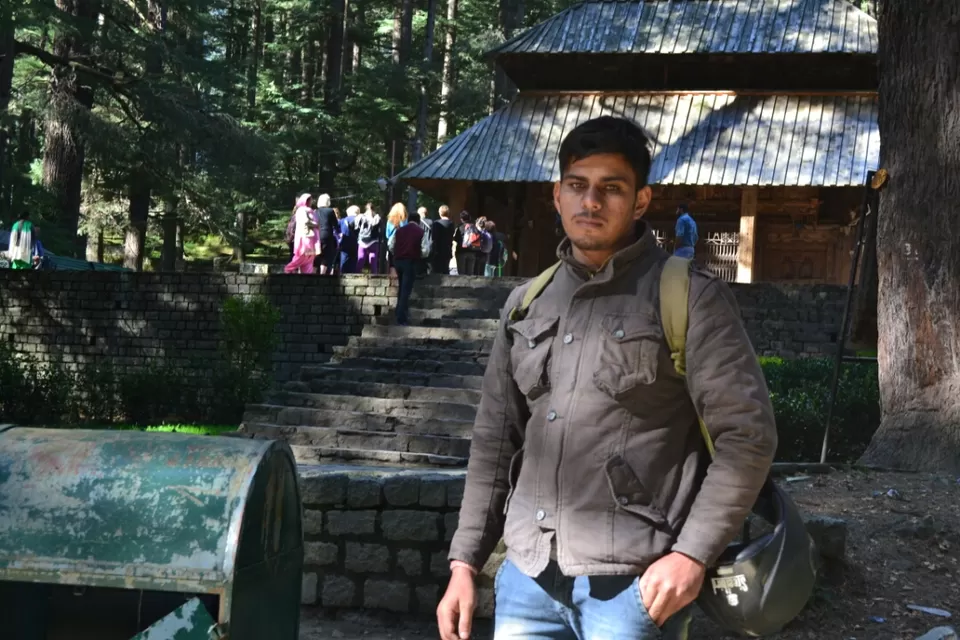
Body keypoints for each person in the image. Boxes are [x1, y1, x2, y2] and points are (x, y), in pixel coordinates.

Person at [436, 116, 777, 640]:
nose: (590, 202)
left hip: (635, 585)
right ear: (557, 195)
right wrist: (464, 562)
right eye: (577, 185)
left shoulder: (689, 298)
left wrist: (692, 555)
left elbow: (747, 436)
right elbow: (494, 442)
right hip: (527, 578)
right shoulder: (526, 304)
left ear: (640, 201)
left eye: (611, 188)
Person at [387, 207, 424, 326]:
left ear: (408, 220)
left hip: (398, 261)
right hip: (411, 262)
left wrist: (396, 254)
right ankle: (401, 317)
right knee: (405, 290)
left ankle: (398, 311)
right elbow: (425, 250)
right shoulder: (420, 231)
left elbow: (391, 245)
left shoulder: (399, 231)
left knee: (401, 287)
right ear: (418, 221)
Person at [284, 193, 318, 274]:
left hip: (311, 240)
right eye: (309, 200)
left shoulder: (310, 211)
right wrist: (316, 225)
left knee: (309, 260)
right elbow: (306, 222)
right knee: (300, 258)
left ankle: (306, 279)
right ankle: (287, 273)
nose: (311, 201)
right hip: (304, 240)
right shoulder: (302, 211)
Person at [314, 194, 340, 275]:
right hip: (327, 234)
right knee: (326, 255)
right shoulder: (330, 211)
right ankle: (322, 274)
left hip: (317, 235)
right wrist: (339, 233)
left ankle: (313, 273)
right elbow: (335, 224)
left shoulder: (315, 211)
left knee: (317, 254)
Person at [356, 203, 382, 274]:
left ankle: (356, 275)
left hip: (362, 241)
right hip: (374, 241)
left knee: (361, 259)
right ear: (374, 209)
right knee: (373, 261)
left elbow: (356, 227)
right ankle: (374, 276)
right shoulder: (377, 217)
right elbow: (380, 230)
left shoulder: (361, 216)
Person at [431, 205, 456, 275]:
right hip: (447, 249)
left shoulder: (436, 223)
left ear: (440, 213)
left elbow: (433, 237)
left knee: (436, 271)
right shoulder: (451, 223)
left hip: (437, 250)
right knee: (445, 269)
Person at [339, 205, 360, 274]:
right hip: (356, 243)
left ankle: (342, 275)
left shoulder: (343, 220)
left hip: (345, 242)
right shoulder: (359, 220)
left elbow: (336, 228)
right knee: (354, 261)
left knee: (344, 260)